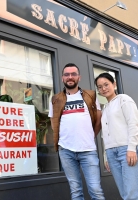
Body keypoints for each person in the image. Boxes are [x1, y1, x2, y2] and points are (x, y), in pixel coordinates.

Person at [48, 63, 105, 200]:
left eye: (73, 74)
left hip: (88, 150)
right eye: (67, 74)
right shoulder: (55, 99)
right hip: (66, 150)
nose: (70, 77)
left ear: (79, 77)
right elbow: (53, 122)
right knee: (75, 190)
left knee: (96, 190)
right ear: (62, 78)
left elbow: (98, 119)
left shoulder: (90, 95)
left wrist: (91, 135)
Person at [95, 72, 138, 200]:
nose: (103, 88)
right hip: (112, 153)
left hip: (126, 150)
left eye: (106, 84)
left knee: (132, 195)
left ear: (114, 84)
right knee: (125, 194)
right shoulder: (105, 108)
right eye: (100, 87)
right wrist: (106, 155)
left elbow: (133, 124)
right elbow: (104, 135)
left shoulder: (124, 99)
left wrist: (132, 148)